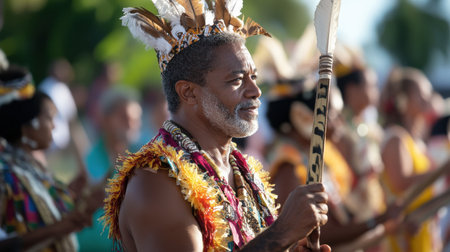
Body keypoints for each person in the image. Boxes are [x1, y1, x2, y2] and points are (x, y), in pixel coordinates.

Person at [102, 1, 330, 251]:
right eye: (236, 80)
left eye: (253, 77)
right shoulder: (154, 181)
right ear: (188, 93)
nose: (255, 91)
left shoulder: (244, 170)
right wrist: (282, 233)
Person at [0, 65, 102, 251]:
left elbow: (42, 215)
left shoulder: (32, 168)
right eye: (49, 118)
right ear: (28, 127)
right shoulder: (4, 174)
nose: (54, 127)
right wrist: (59, 228)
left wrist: (78, 199)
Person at [379, 66, 445, 252]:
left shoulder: (415, 140)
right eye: (421, 92)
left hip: (421, 230)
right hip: (401, 234)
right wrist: (441, 171)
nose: (427, 97)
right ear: (403, 100)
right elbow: (400, 182)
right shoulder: (396, 138)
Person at [77, 87, 142, 251]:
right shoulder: (87, 162)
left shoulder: (147, 160)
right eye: (124, 117)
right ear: (104, 119)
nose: (131, 124)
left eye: (136, 119)